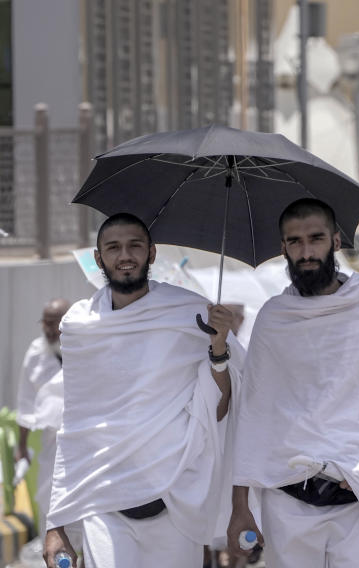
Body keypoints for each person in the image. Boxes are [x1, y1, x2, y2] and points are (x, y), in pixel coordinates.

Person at [227, 199, 359, 567]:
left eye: (315, 239)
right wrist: (240, 506)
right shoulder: (274, 319)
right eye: (295, 242)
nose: (306, 251)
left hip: (358, 495)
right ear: (283, 248)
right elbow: (253, 414)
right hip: (288, 500)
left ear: (335, 241)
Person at [42, 213, 238, 568]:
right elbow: (75, 428)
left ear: (152, 252)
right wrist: (56, 524)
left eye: (135, 245)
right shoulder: (81, 326)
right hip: (105, 503)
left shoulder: (193, 314)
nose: (125, 255)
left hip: (175, 500)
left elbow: (219, 410)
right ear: (99, 258)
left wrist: (219, 348)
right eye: (113, 247)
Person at [15, 299, 70, 527]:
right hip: (52, 440)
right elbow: (25, 402)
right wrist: (21, 446)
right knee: (49, 498)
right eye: (45, 323)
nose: (49, 329)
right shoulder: (35, 354)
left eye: (54, 323)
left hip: (86, 437)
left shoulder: (85, 347)